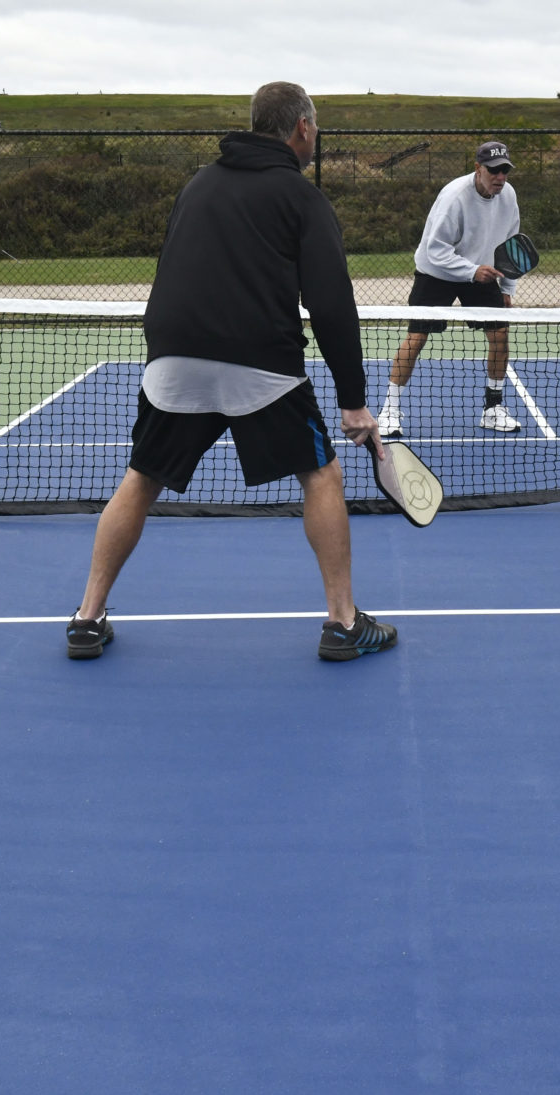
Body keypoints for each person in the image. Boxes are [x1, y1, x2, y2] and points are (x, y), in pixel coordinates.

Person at [65, 82, 395, 663]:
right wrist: (353, 401)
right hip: (259, 363)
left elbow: (170, 269)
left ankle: (87, 618)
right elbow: (332, 304)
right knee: (320, 476)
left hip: (172, 356)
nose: (315, 137)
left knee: (141, 477)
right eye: (314, 128)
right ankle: (343, 624)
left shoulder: (197, 184)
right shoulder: (302, 198)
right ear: (300, 128)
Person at [377, 139, 525, 437]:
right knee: (417, 337)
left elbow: (513, 243)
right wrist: (471, 271)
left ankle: (492, 409)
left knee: (500, 334)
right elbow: (435, 249)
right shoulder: (455, 197)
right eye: (493, 170)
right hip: (437, 271)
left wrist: (507, 287)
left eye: (505, 170)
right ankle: (389, 411)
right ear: (477, 168)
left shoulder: (508, 195)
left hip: (481, 273)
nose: (500, 177)